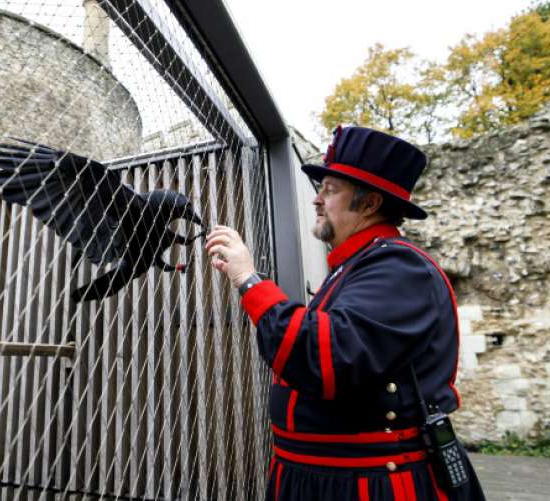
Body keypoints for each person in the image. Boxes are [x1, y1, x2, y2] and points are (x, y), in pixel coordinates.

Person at [205, 126, 485, 500]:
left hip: (367, 484)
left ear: (369, 204)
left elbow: (324, 358)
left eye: (331, 189)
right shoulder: (359, 265)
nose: (317, 200)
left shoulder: (399, 266)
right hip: (325, 478)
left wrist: (249, 279)